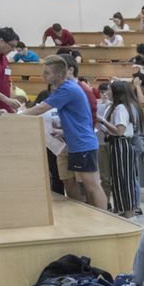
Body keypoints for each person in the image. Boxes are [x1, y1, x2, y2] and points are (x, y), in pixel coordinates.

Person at [23, 56, 105, 207]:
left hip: (83, 144)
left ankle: (105, 219)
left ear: (59, 75)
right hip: (76, 143)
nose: (43, 76)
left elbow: (41, 108)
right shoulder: (64, 89)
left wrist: (17, 116)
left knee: (92, 186)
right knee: (85, 187)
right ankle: (93, 217)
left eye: (47, 73)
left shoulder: (68, 89)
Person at [100, 78, 143, 216]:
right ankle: (124, 210)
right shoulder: (122, 107)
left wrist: (103, 121)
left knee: (124, 179)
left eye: (110, 90)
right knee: (119, 178)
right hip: (119, 144)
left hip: (121, 144)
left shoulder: (120, 108)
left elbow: (120, 130)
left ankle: (129, 211)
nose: (108, 92)